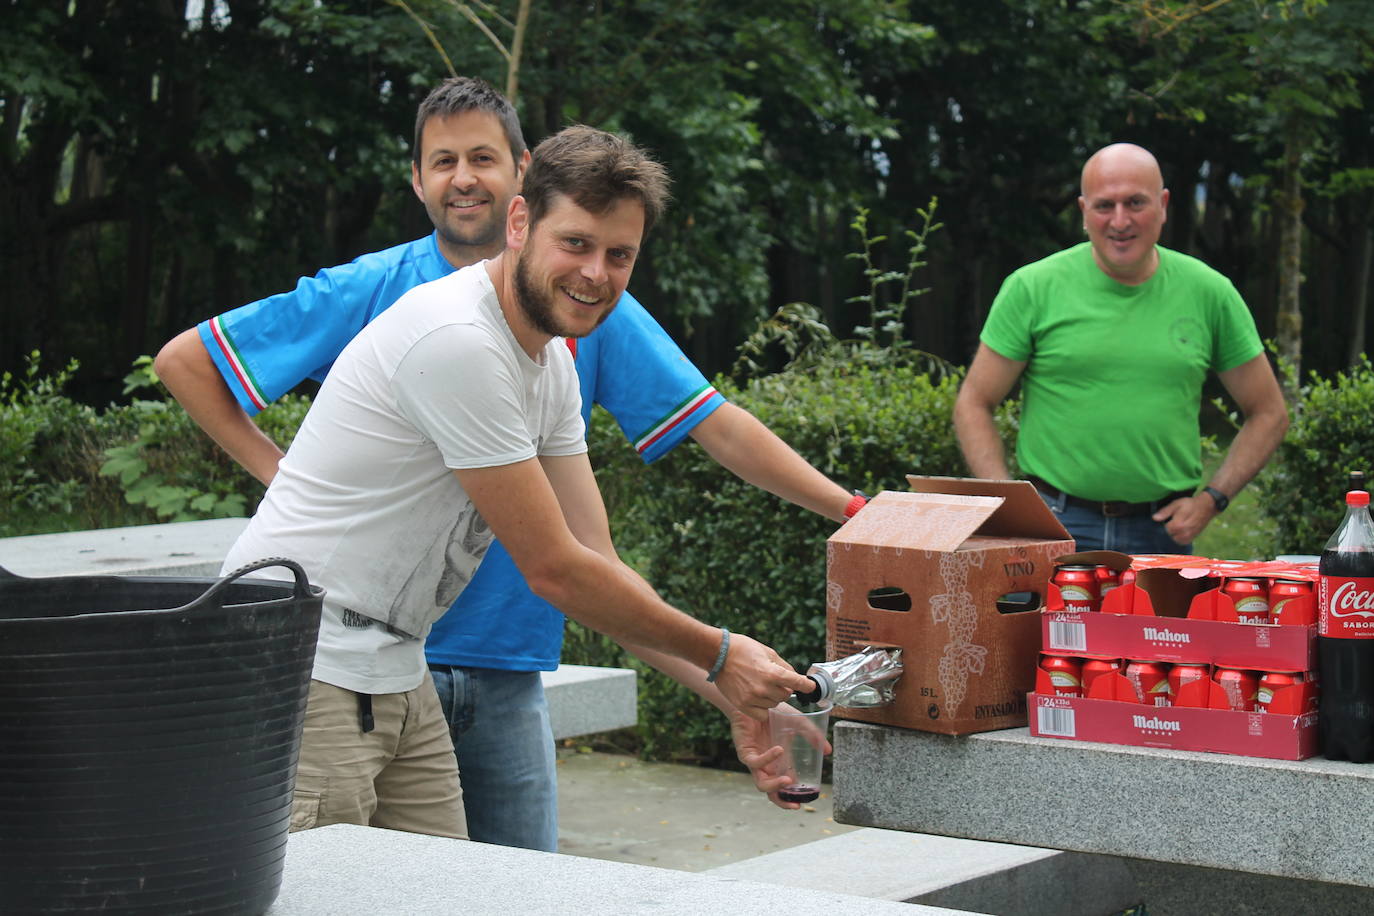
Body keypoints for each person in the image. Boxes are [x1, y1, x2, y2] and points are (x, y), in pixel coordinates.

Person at [156, 79, 858, 848]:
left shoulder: (551, 363)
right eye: (576, 244)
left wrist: (736, 697)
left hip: (397, 667)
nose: (596, 273)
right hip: (304, 661)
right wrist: (723, 654)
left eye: (619, 255)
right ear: (519, 223)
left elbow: (597, 561)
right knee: (318, 893)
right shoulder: (457, 339)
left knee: (468, 893)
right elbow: (554, 570)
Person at [953, 142, 1289, 554]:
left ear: (1163, 205)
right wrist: (1010, 505)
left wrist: (1212, 500)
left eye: (1135, 203)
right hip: (1054, 525)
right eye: (1104, 205)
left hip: (1162, 533)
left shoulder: (1209, 293)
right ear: (1083, 211)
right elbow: (974, 402)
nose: (1120, 220)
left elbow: (1269, 413)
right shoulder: (1032, 289)